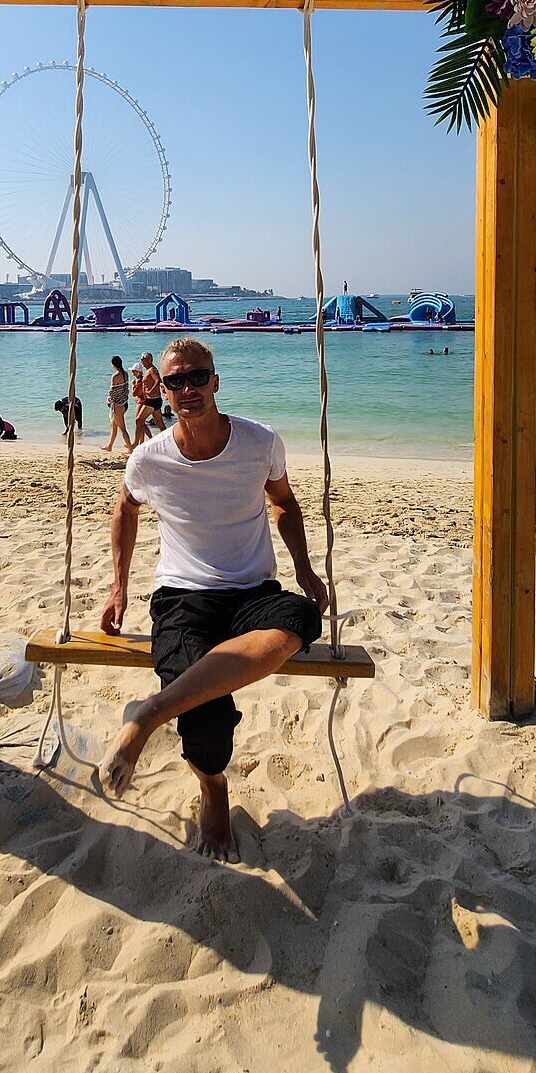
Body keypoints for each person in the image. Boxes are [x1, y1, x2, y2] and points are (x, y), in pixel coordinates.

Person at [98, 338, 328, 861]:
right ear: (161, 388)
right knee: (205, 720)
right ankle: (213, 788)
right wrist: (118, 586)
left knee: (299, 615)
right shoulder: (148, 459)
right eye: (175, 381)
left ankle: (147, 714)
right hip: (183, 596)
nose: (187, 389)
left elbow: (285, 504)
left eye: (197, 377)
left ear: (216, 381)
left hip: (253, 591)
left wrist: (305, 569)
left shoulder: (259, 442)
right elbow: (125, 510)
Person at [100, 355, 133, 454]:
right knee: (114, 426)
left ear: (113, 365)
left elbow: (113, 392)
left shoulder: (115, 376)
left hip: (117, 405)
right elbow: (124, 389)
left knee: (122, 428)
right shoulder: (126, 374)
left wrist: (108, 400)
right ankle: (109, 446)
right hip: (124, 403)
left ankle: (130, 448)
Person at [133, 351, 167, 444]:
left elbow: (157, 380)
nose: (141, 361)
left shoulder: (152, 369)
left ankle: (136, 443)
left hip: (152, 400)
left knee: (138, 420)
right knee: (160, 425)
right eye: (141, 359)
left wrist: (152, 390)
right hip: (153, 400)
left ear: (149, 360)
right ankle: (169, 442)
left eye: (143, 359)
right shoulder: (149, 370)